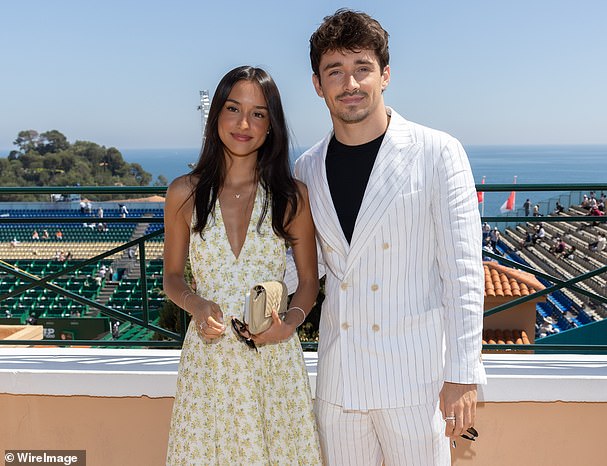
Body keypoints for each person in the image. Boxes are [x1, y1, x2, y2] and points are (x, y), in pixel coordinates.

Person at [291, 9, 485, 465]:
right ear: (318, 85)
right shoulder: (306, 168)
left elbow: (462, 272)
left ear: (385, 75)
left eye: (362, 68)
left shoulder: (438, 151)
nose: (350, 83)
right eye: (335, 72)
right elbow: (303, 268)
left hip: (416, 382)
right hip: (340, 382)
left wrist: (462, 374)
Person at [163, 66, 321, 465]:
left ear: (271, 126)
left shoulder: (291, 196)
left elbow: (307, 282)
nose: (244, 123)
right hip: (209, 362)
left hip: (272, 358)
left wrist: (291, 322)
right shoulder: (183, 193)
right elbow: (172, 277)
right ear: (216, 115)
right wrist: (197, 306)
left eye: (258, 113)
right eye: (233, 109)